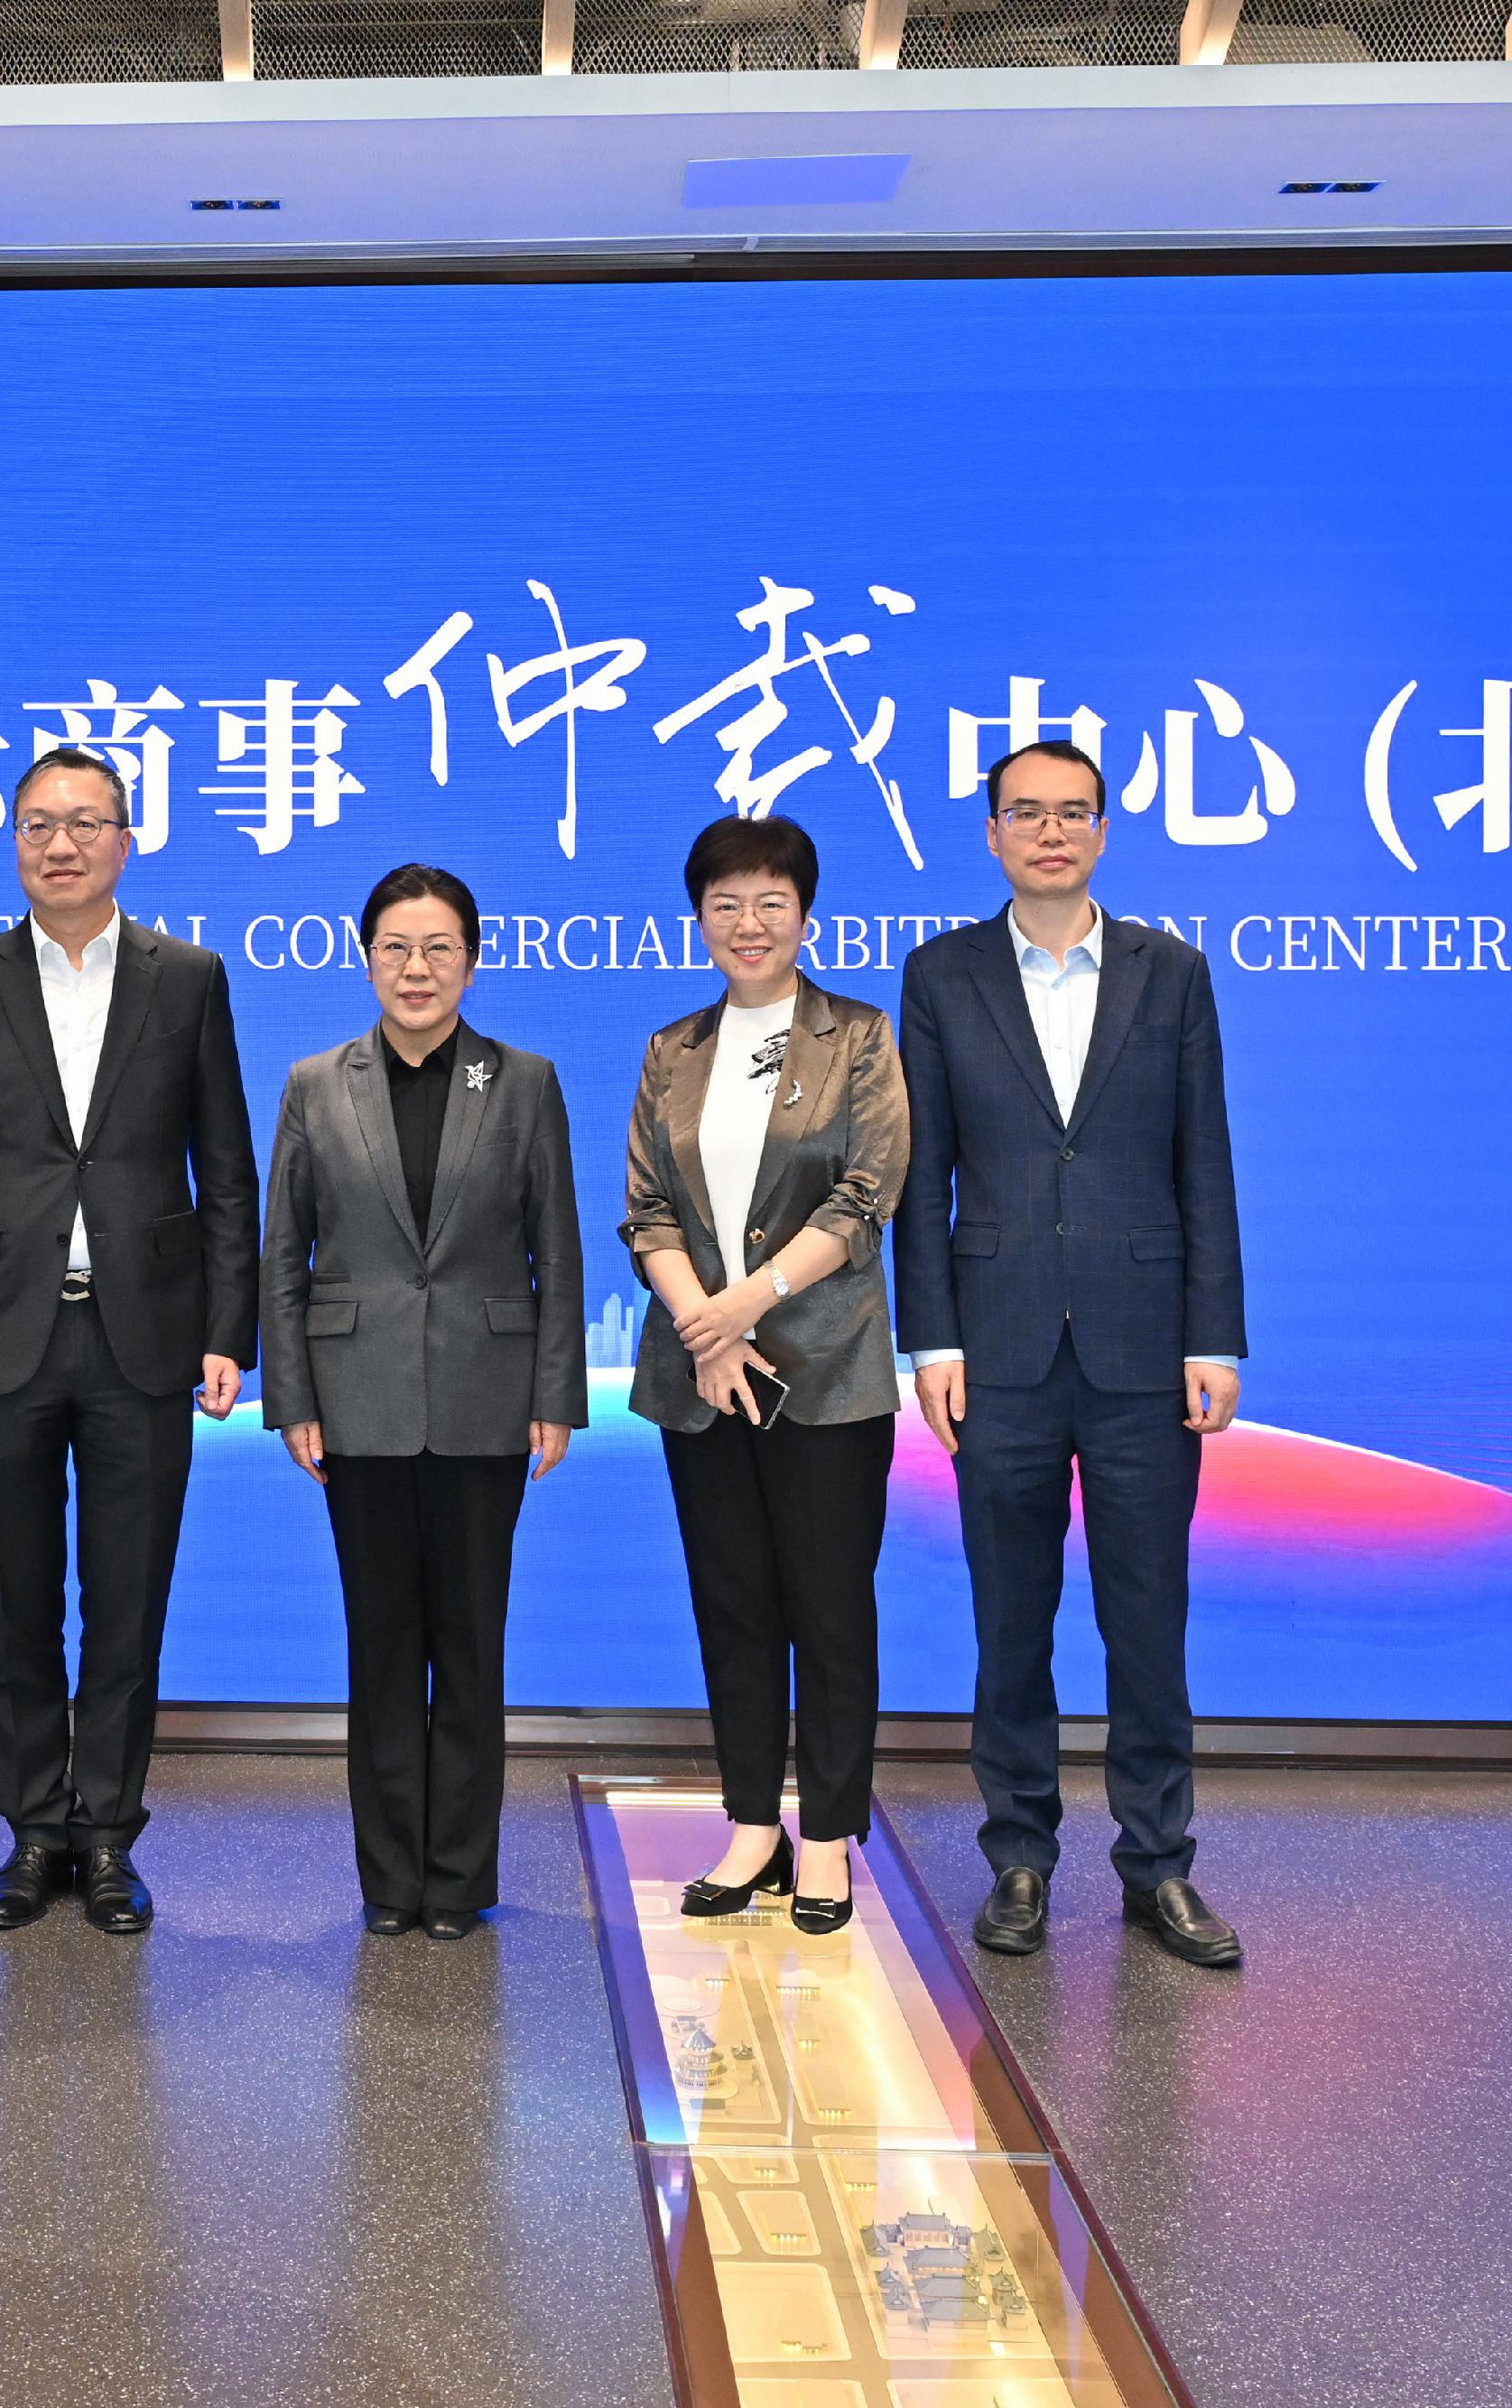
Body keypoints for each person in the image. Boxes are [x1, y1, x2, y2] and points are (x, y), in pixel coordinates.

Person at [897, 739, 1248, 1971]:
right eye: (1026, 813)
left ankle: (1158, 1865)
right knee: (1014, 1616)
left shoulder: (1173, 972)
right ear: (991, 833)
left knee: (1149, 1617)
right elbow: (921, 1173)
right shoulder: (941, 973)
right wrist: (929, 1336)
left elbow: (1202, 1164)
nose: (1051, 831)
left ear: (1103, 829)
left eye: (1074, 812)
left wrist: (1216, 1333)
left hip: (1149, 1348)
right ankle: (1021, 1857)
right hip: (994, 1347)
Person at [0, 747, 260, 1938]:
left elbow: (227, 1169)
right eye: (41, 823)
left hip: (143, 1340)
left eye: (87, 822)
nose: (63, 842)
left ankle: (107, 1834)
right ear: (14, 841)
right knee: (14, 1604)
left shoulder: (188, 977)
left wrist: (226, 1327)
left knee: (126, 1600)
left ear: (126, 839)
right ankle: (31, 1833)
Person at [261, 863, 584, 1941]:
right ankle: (389, 1881)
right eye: (396, 946)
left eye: (439, 946)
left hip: (489, 1401)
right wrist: (291, 1398)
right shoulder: (316, 1082)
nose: (416, 968)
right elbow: (283, 1257)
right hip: (354, 1402)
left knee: (471, 1643)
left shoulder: (523, 1080)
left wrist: (556, 1398)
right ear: (365, 958)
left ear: (472, 958)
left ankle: (458, 1877)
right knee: (382, 1645)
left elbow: (558, 1253)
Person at [622, 814, 909, 1938]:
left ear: (804, 914)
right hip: (703, 1374)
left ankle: (828, 1835)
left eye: (770, 903)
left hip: (827, 1371)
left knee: (829, 1607)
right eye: (726, 904)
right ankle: (753, 1826)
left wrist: (750, 1303)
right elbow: (646, 1207)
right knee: (732, 1604)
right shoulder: (671, 1049)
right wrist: (705, 1323)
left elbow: (864, 1195)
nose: (748, 924)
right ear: (698, 919)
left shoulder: (860, 1038)